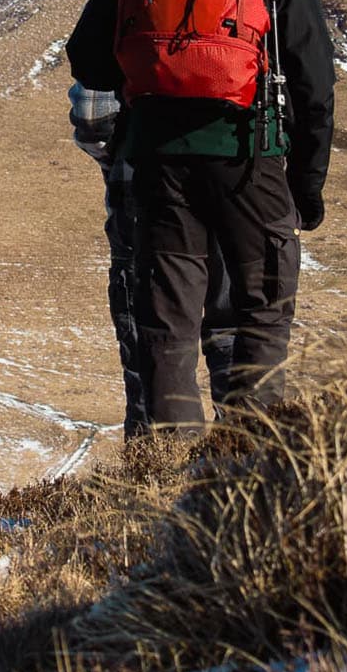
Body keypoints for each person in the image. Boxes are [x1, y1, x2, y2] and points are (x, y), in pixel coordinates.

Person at [68, 0, 335, 430]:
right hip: (251, 156)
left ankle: (168, 472)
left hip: (159, 158)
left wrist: (158, 67)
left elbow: (86, 57)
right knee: (261, 312)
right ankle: (252, 460)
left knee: (169, 325)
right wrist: (308, 185)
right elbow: (315, 82)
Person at [68, 81, 236, 437]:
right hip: (240, 179)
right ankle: (248, 466)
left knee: (156, 337)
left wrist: (124, 156)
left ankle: (159, 476)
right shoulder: (270, 20)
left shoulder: (120, 20)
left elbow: (93, 113)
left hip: (145, 182)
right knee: (236, 329)